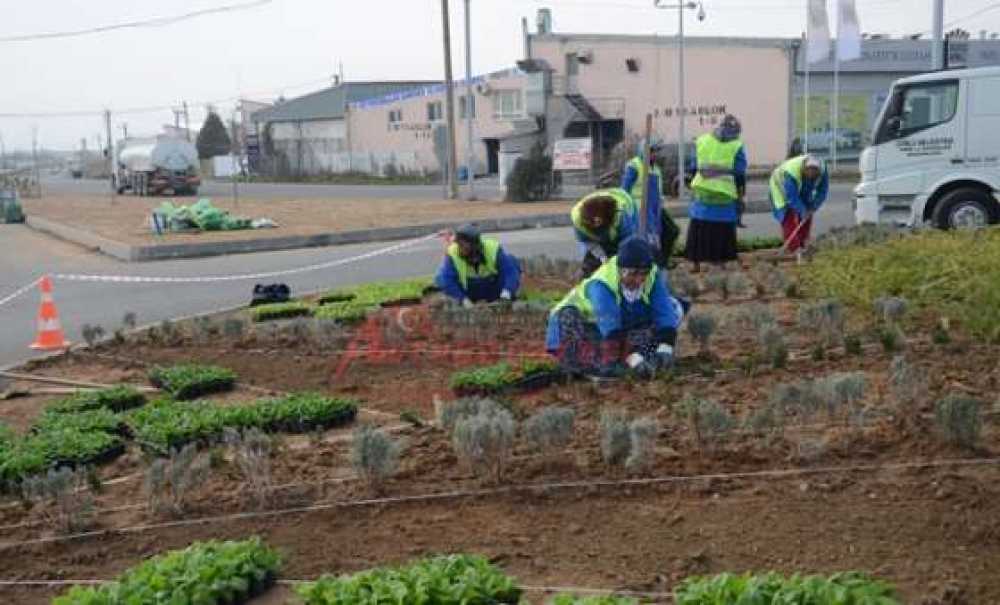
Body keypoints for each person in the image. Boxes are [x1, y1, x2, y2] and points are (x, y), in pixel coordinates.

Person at [545, 237, 684, 378]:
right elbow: (611, 327)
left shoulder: (652, 275)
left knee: (675, 308)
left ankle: (630, 359)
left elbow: (664, 311)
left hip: (612, 330)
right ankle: (589, 365)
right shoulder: (602, 284)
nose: (639, 280)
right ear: (620, 269)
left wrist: (666, 347)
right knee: (589, 348)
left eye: (643, 274)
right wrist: (631, 360)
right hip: (578, 328)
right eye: (633, 274)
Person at [683, 114, 748, 273]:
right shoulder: (736, 146)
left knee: (699, 226)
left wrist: (692, 182)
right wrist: (740, 194)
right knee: (723, 229)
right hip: (723, 195)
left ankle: (695, 262)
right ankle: (721, 261)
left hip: (702, 191)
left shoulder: (702, 140)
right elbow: (740, 172)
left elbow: (692, 166)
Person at [621, 139, 681, 267]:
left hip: (655, 208)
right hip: (640, 208)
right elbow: (624, 189)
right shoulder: (634, 165)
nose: (655, 154)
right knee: (649, 238)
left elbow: (657, 191)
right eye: (652, 151)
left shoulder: (656, 169)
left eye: (656, 151)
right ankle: (654, 264)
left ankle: (663, 260)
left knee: (671, 230)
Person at [435, 224, 521, 307]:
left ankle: (505, 300)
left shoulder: (492, 248)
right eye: (459, 245)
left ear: (474, 245)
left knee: (511, 261)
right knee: (440, 276)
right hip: (469, 290)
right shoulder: (453, 253)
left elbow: (510, 272)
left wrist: (506, 293)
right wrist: (463, 299)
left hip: (492, 287)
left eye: (463, 245)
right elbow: (447, 281)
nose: (460, 249)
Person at [769, 154, 829, 260]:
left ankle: (803, 243)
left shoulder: (823, 171)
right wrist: (802, 210)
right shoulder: (791, 173)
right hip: (780, 188)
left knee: (807, 214)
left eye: (814, 172)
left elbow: (822, 192)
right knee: (788, 217)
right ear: (804, 169)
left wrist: (813, 207)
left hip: (802, 185)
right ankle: (794, 248)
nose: (811, 174)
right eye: (809, 171)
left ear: (818, 171)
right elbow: (792, 198)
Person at [571, 187, 638, 279]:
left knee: (625, 260)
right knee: (592, 259)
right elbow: (588, 243)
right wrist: (603, 258)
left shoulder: (623, 218)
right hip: (602, 215)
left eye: (597, 224)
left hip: (625, 205)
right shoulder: (578, 220)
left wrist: (620, 263)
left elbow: (629, 244)